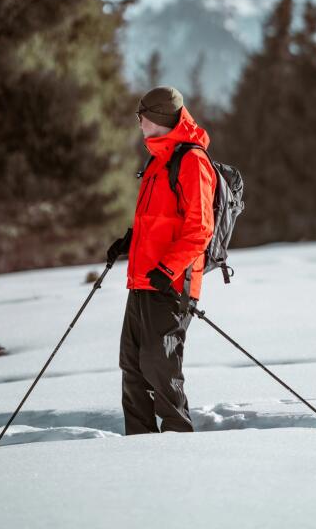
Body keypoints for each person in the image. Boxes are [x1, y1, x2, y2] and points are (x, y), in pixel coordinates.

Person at [107, 85, 217, 434]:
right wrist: (131, 242)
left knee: (161, 368)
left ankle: (177, 445)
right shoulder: (158, 160)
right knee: (133, 368)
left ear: (156, 118)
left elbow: (200, 228)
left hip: (169, 286)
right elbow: (161, 222)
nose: (138, 123)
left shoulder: (191, 161)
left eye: (141, 116)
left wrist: (167, 268)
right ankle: (139, 448)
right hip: (142, 281)